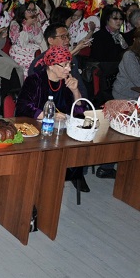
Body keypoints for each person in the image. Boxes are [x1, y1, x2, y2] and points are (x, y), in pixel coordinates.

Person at [16, 45, 89, 192]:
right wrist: (49, 115)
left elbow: (79, 113)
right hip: (37, 131)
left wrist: (75, 91)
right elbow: (22, 107)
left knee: (81, 144)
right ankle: (43, 185)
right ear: (51, 65)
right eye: (65, 65)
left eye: (70, 65)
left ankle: (69, 176)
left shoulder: (66, 82)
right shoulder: (35, 80)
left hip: (60, 132)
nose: (68, 69)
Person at [9, 2, 47, 77]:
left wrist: (35, 25)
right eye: (29, 10)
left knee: (41, 62)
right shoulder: (15, 24)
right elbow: (21, 44)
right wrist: (27, 25)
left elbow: (39, 40)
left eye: (34, 10)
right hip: (18, 52)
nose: (32, 13)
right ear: (22, 10)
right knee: (33, 65)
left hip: (30, 50)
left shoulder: (33, 22)